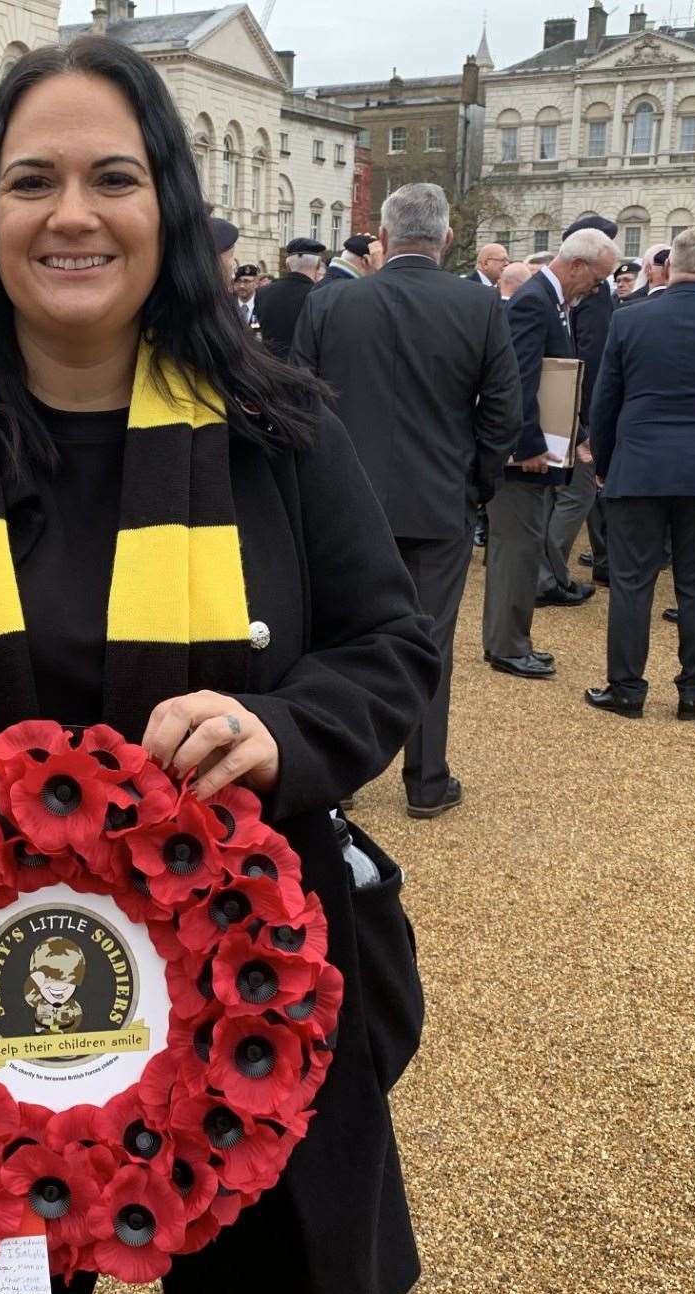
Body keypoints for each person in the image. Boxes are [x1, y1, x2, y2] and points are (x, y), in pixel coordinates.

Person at [0, 37, 438, 1294]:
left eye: (111, 178)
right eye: (32, 181)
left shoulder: (280, 435)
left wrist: (283, 730)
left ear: (167, 210)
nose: (71, 214)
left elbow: (388, 647)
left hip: (239, 991)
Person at [293, 181, 520, 818]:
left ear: (383, 240)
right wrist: (474, 482)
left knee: (338, 636)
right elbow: (504, 412)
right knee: (428, 641)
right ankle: (425, 781)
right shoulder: (478, 308)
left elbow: (300, 404)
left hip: (344, 501)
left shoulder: (332, 304)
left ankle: (338, 776)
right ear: (447, 239)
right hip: (437, 500)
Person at [584, 227, 695, 721]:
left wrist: (604, 462)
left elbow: (605, 401)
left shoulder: (630, 319)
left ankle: (626, 688)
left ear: (668, 268)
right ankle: (693, 689)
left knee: (631, 582)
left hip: (639, 464)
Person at [487, 227, 616, 679]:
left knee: (525, 546)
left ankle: (514, 640)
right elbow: (517, 378)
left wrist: (575, 433)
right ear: (577, 265)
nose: (597, 288)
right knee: (517, 549)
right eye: (597, 278)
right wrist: (529, 444)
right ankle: (506, 645)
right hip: (523, 454)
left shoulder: (550, 300)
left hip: (541, 445)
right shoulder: (534, 300)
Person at [537, 215, 618, 610]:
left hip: (569, 413)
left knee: (564, 495)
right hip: (572, 413)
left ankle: (549, 571)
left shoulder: (574, 298)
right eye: (599, 276)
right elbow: (589, 362)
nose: (599, 285)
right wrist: (583, 425)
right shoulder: (587, 300)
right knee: (577, 494)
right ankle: (548, 574)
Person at [252, 238, 324, 358]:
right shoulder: (321, 295)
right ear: (317, 266)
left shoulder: (262, 293)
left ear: (287, 265)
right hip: (305, 371)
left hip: (271, 368)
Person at [233, 263, 261, 329]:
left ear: (256, 283)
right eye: (238, 281)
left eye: (246, 281)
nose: (241, 286)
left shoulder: (263, 306)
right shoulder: (228, 306)